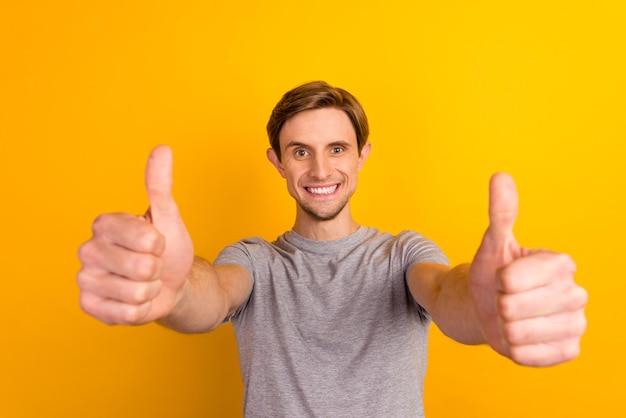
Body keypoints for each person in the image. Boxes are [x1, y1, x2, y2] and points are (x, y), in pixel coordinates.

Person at [77, 81, 588, 417]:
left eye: (337, 149)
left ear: (362, 155)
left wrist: (487, 307)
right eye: (301, 152)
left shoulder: (403, 254)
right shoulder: (255, 260)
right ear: (277, 161)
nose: (321, 171)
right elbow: (208, 293)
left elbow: (445, 288)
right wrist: (172, 292)